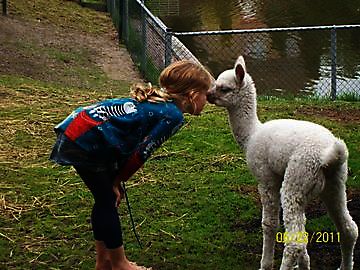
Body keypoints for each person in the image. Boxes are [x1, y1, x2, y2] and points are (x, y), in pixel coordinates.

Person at [50, 60, 212, 270]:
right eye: (205, 94)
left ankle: (104, 261)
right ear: (192, 94)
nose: (208, 100)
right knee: (107, 199)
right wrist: (117, 180)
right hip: (86, 138)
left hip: (79, 130)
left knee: (104, 199)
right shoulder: (173, 115)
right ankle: (120, 264)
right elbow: (140, 154)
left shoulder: (161, 104)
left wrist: (114, 179)